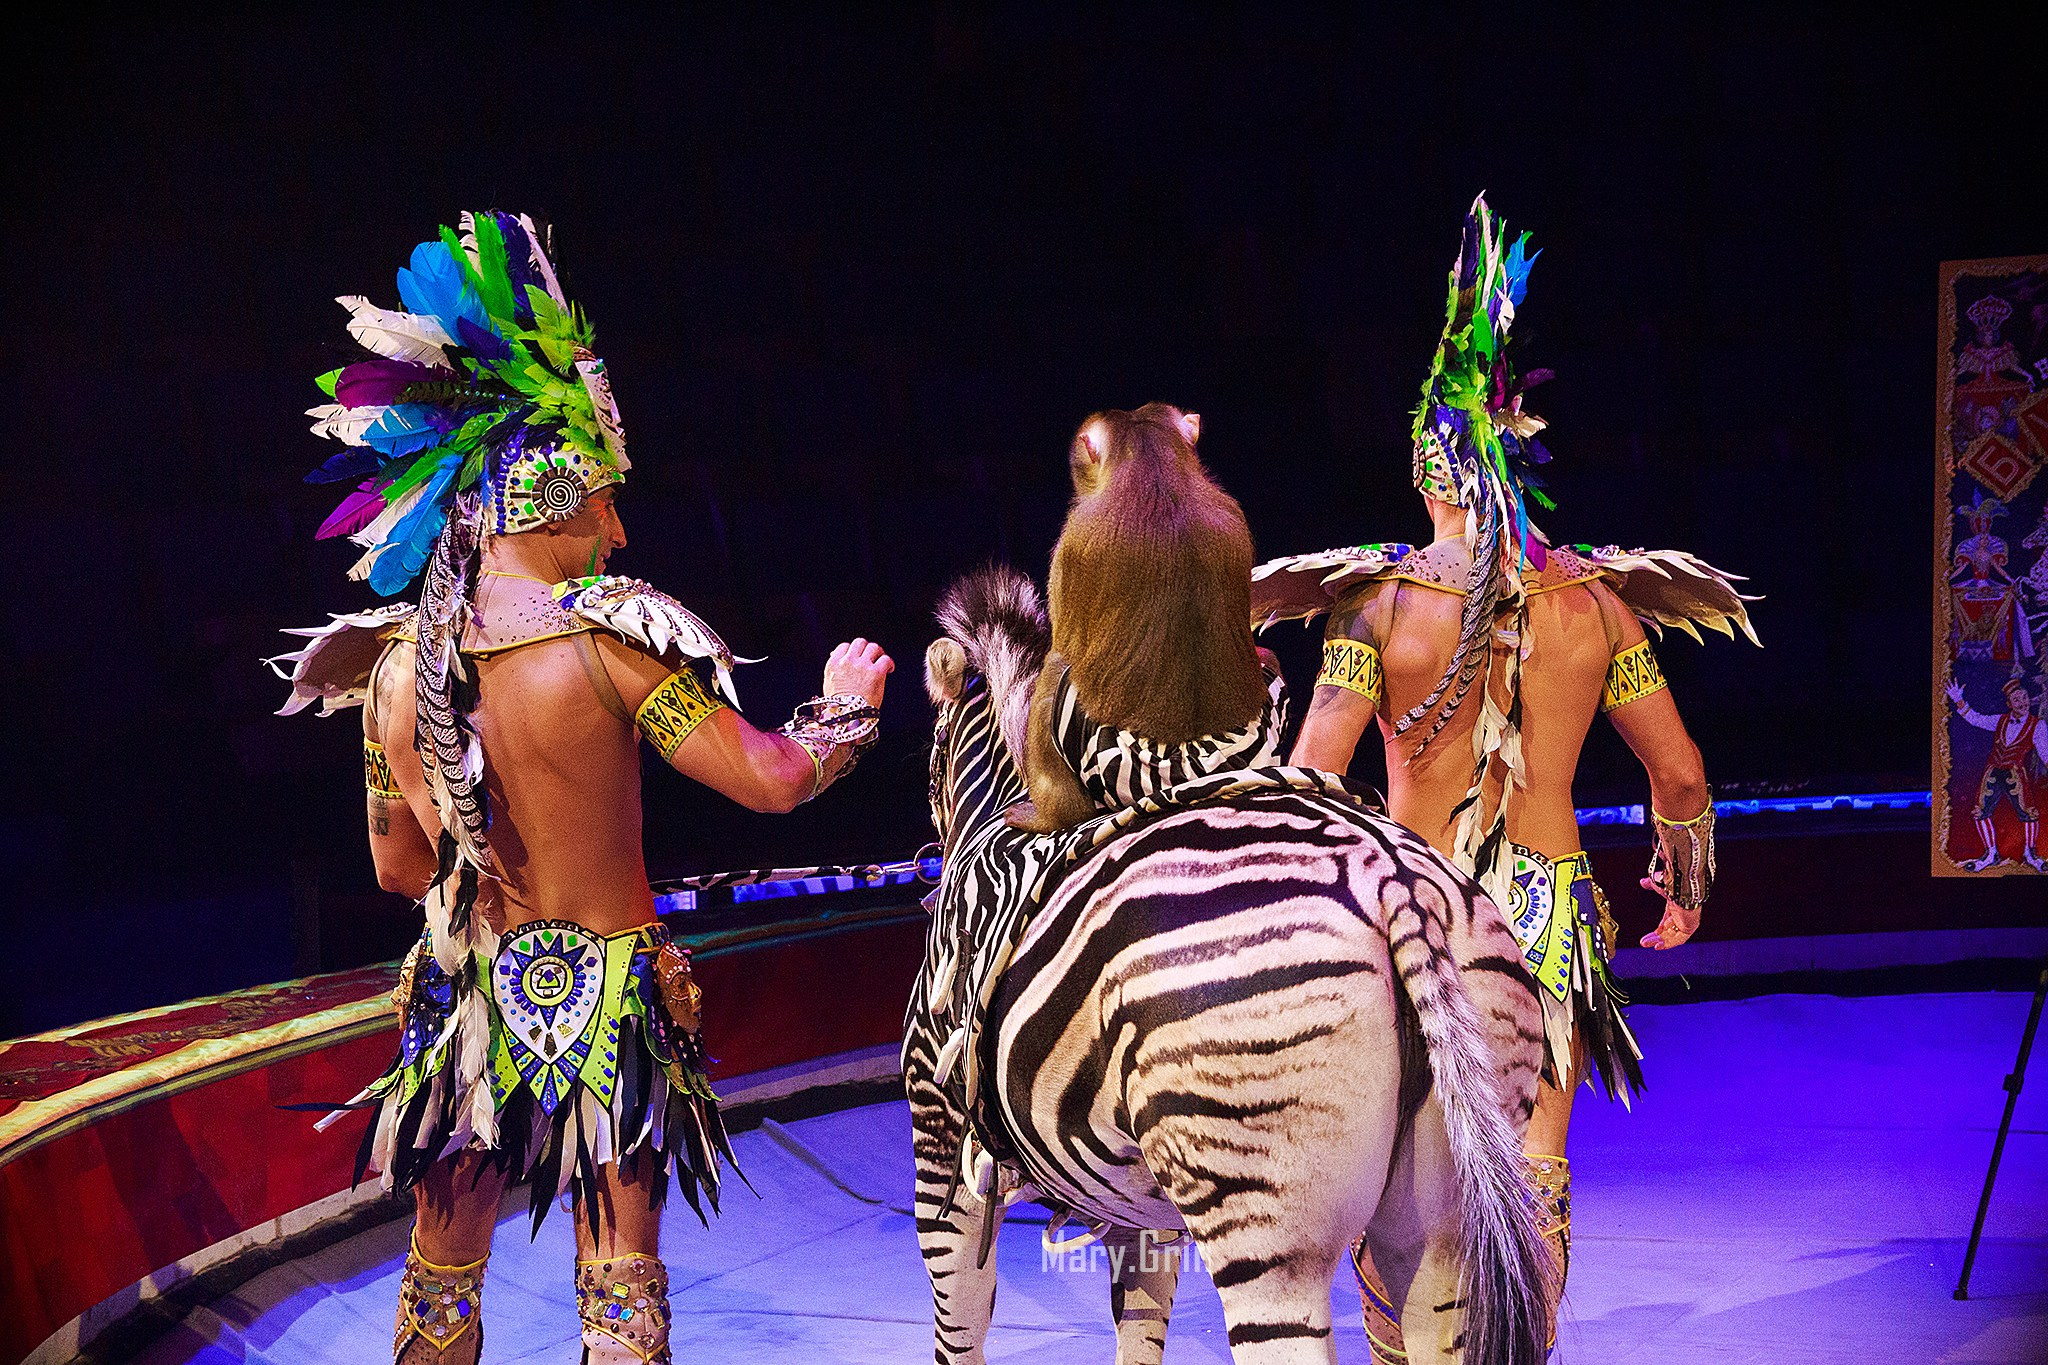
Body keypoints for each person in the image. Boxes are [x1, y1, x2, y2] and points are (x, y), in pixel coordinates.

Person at [270, 211, 894, 1365]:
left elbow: (398, 868)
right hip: (606, 1007)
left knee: (440, 1268)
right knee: (619, 1286)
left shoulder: (394, 671)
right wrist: (842, 710)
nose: (616, 528)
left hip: (465, 999)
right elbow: (768, 781)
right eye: (604, 497)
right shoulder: (609, 642)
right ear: (554, 492)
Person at [1251, 196, 1757, 1360]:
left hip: (1409, 913)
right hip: (1544, 907)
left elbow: (1310, 776)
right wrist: (1682, 882)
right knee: (1535, 1155)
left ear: (1432, 477)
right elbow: (1675, 771)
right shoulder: (1594, 604)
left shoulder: (1374, 607)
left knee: (1393, 1168)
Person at [1946, 675, 2048, 871]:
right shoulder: (1999, 720)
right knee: (1980, 811)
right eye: (2017, 699)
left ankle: (2030, 854)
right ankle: (1990, 854)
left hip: (2015, 774)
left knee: (2028, 812)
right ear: (2009, 703)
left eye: (2025, 697)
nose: (2022, 703)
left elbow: (2045, 753)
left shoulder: (2038, 725)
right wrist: (1958, 700)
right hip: (1992, 772)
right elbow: (1975, 719)